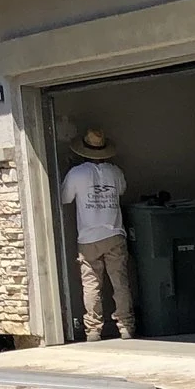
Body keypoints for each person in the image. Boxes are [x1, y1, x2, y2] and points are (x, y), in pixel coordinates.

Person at [61, 128, 134, 339]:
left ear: (82, 151)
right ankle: (126, 326)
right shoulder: (115, 172)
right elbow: (121, 191)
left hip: (88, 238)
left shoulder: (76, 174)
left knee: (91, 284)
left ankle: (93, 329)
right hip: (114, 234)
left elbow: (65, 198)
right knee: (120, 282)